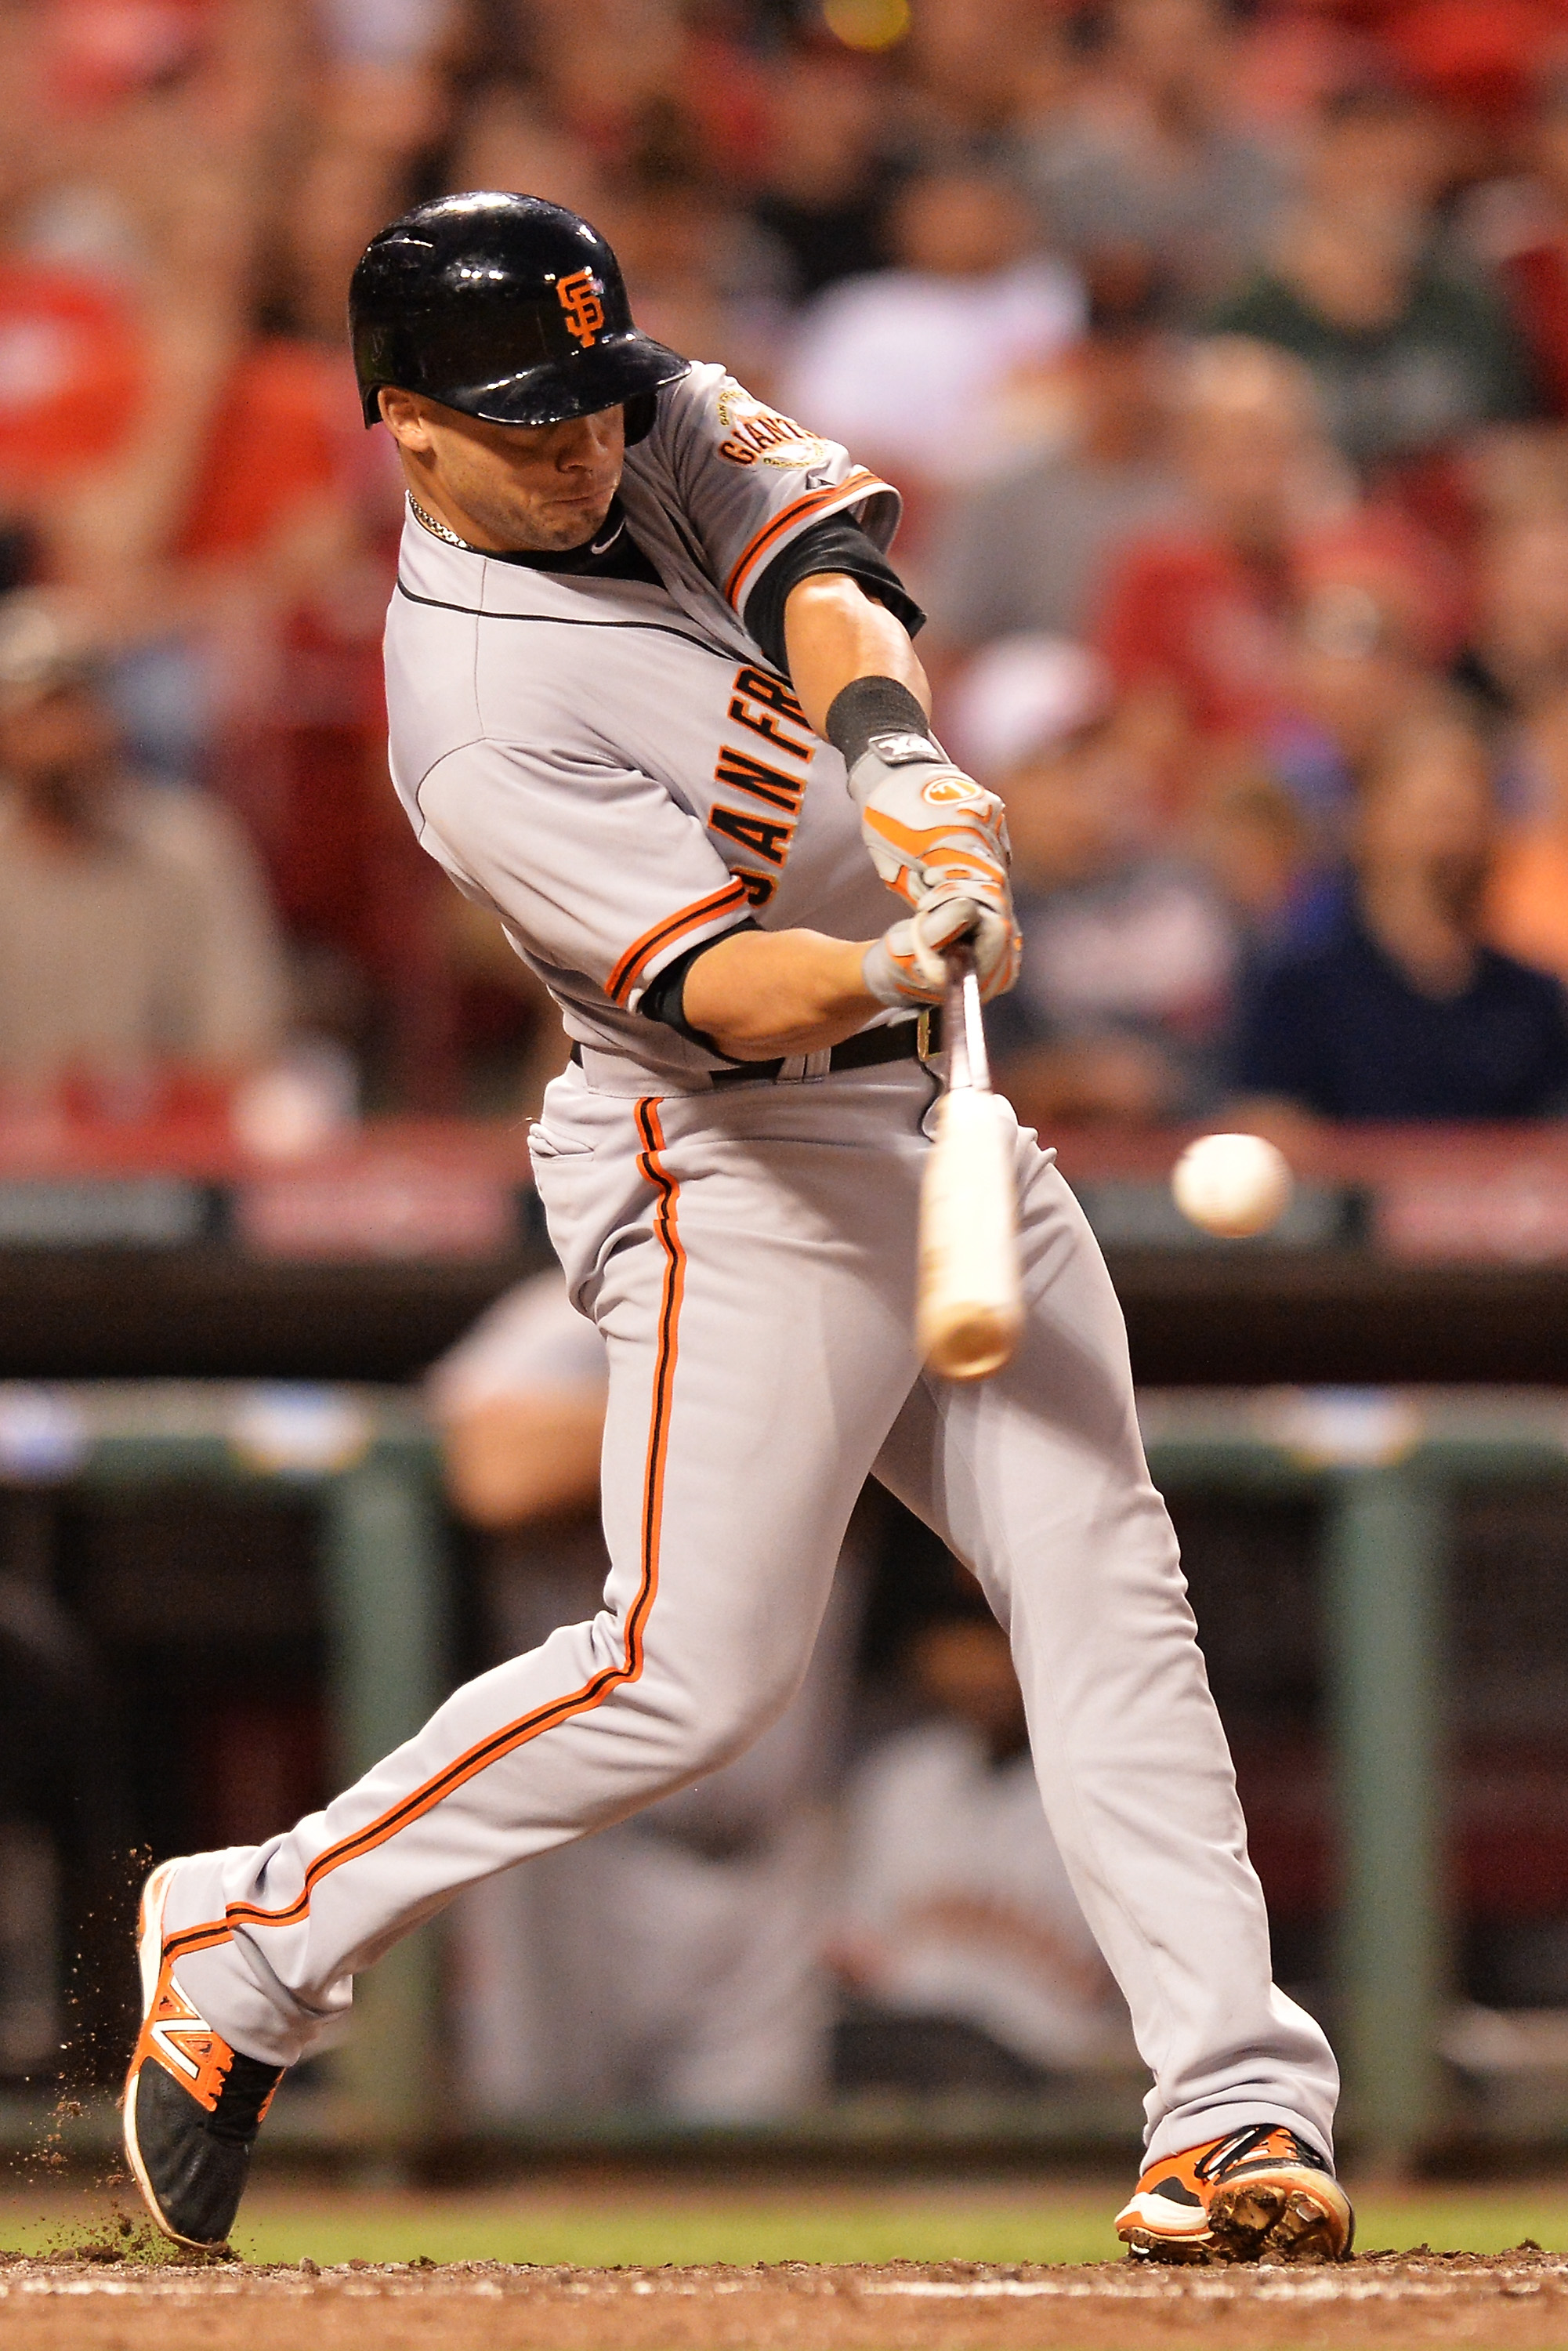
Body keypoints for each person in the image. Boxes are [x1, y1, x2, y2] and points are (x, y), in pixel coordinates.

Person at [121, 190, 1350, 2269]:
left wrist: (902, 766)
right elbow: (724, 993)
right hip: (729, 1155)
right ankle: (249, 1938)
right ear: (402, 429)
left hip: (933, 1115)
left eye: (591, 396)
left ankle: (1229, 2107)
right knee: (691, 1676)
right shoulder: (473, 707)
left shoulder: (646, 407)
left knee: (1103, 1585)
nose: (582, 441)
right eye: (522, 421)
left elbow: (825, 570)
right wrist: (896, 952)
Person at [432, 1267, 864, 2122]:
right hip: (579, 1845)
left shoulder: (845, 1300)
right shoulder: (587, 1303)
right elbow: (491, 1466)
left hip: (771, 1850)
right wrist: (760, 1410)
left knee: (756, 2199)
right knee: (537, 2154)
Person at [0, 594, 286, 1105]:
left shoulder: (191, 846)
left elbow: (243, 1043)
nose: (61, 739)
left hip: (158, 1154)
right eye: (39, 716)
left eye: (76, 709)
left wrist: (120, 1095)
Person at [835, 1604, 1135, 2089]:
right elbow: (851, 1951)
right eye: (965, 1642)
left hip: (1056, 2076)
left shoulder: (1109, 1786)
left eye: (997, 1644)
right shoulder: (899, 1778)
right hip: (901, 2060)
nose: (980, 1669)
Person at [1234, 714, 1568, 1121]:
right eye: (1431, 814)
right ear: (1368, 821)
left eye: (1465, 814)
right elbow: (1271, 1129)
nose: (1447, 844)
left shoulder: (1529, 1000)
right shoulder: (1301, 989)